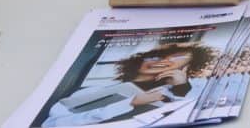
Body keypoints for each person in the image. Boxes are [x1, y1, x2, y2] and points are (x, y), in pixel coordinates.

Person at [40, 43, 207, 127]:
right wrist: (129, 103)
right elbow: (53, 124)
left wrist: (182, 88)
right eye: (155, 57)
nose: (163, 62)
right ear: (139, 61)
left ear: (187, 68)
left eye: (177, 58)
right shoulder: (95, 90)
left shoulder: (189, 91)